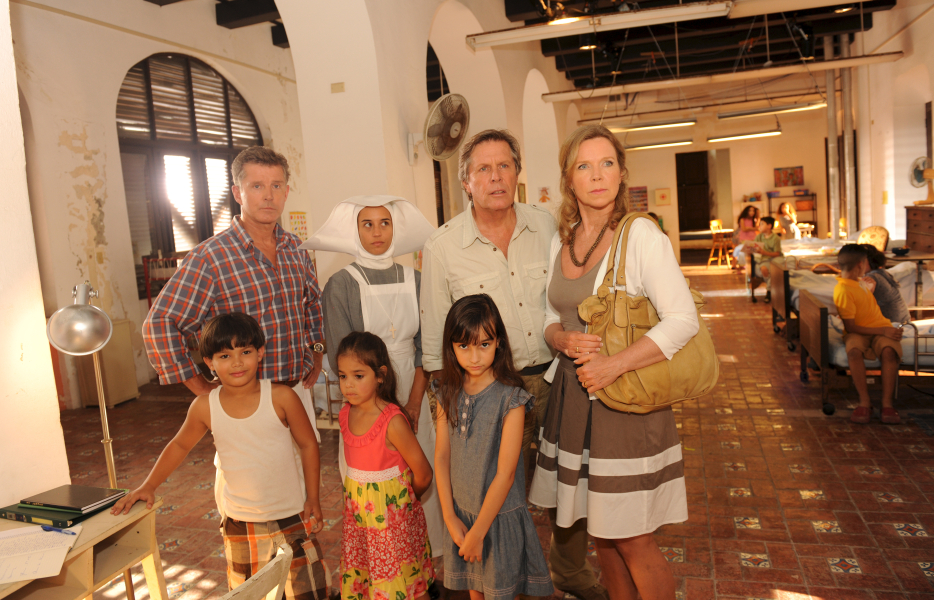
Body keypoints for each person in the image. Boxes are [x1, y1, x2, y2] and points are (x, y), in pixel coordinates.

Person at [421, 130, 602, 600]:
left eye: (504, 166)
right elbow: (437, 342)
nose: (496, 177)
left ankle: (568, 571)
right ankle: (496, 581)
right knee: (493, 492)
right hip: (488, 392)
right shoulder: (443, 246)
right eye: (483, 169)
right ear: (466, 181)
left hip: (556, 377)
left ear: (518, 172)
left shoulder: (547, 227)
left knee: (570, 482)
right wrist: (452, 407)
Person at [529, 124, 696, 600]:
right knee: (602, 533)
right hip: (573, 400)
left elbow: (683, 320)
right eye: (584, 166)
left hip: (622, 403)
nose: (597, 175)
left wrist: (614, 364)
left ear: (622, 173)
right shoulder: (564, 240)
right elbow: (550, 315)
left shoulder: (639, 234)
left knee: (632, 537)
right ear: (569, 178)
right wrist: (560, 338)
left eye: (607, 164)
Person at [143, 146, 325, 517]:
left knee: (302, 497)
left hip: (295, 393)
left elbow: (312, 304)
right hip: (245, 405)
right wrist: (200, 387)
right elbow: (159, 323)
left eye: (276, 186)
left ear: (287, 192)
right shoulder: (211, 257)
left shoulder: (295, 249)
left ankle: (300, 550)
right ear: (238, 192)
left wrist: (317, 351)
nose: (268, 195)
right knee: (249, 501)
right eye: (257, 186)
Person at [113, 313, 328, 600]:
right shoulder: (205, 406)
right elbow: (179, 446)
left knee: (308, 593)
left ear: (260, 353)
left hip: (292, 517)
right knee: (249, 594)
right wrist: (149, 485)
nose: (237, 362)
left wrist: (313, 498)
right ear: (210, 362)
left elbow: (309, 444)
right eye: (225, 355)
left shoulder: (282, 397)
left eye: (245, 352)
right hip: (240, 524)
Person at [433, 294, 553, 600]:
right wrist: (449, 517)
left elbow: (506, 474)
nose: (474, 357)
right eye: (464, 346)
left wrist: (478, 532)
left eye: (483, 344)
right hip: (461, 516)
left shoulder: (511, 398)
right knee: (475, 592)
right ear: (451, 347)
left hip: (495, 519)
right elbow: (442, 457)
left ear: (498, 342)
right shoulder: (447, 392)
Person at [336, 331, 435, 600]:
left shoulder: (392, 421)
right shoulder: (345, 414)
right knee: (369, 582)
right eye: (343, 376)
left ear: (380, 375)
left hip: (392, 525)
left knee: (406, 585)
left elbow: (424, 473)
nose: (348, 385)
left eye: (358, 376)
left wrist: (404, 500)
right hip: (360, 523)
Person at [833, 244, 904, 425]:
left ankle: (887, 404)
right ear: (861, 264)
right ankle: (864, 402)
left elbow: (865, 304)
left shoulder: (859, 282)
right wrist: (884, 331)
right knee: (853, 352)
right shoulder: (843, 290)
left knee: (889, 351)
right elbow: (851, 327)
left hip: (880, 326)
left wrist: (868, 288)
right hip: (860, 331)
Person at [862, 244, 911, 324]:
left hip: (894, 325)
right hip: (904, 322)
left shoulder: (872, 278)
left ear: (868, 261)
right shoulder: (881, 273)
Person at [743, 216, 783, 304]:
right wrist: (750, 248)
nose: (759, 226)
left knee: (767, 270)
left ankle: (769, 292)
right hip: (761, 260)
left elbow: (777, 253)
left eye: (762, 224)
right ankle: (770, 290)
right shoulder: (759, 237)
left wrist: (764, 252)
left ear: (769, 226)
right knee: (762, 269)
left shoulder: (775, 238)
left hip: (772, 259)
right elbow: (754, 247)